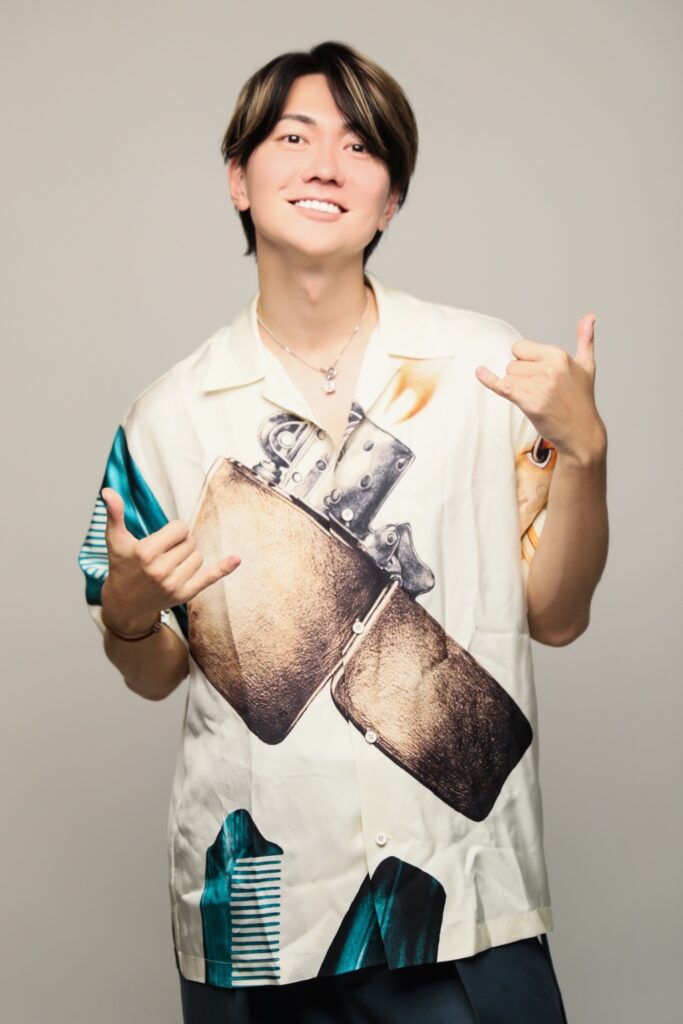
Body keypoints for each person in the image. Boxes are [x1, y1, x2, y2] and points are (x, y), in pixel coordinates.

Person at [77, 40, 608, 1024]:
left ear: (390, 197)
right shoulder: (166, 418)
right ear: (238, 179)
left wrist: (583, 455)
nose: (325, 163)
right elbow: (151, 674)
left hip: (464, 892)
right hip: (255, 910)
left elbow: (557, 614)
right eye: (293, 137)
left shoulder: (486, 370)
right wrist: (129, 610)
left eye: (359, 146)